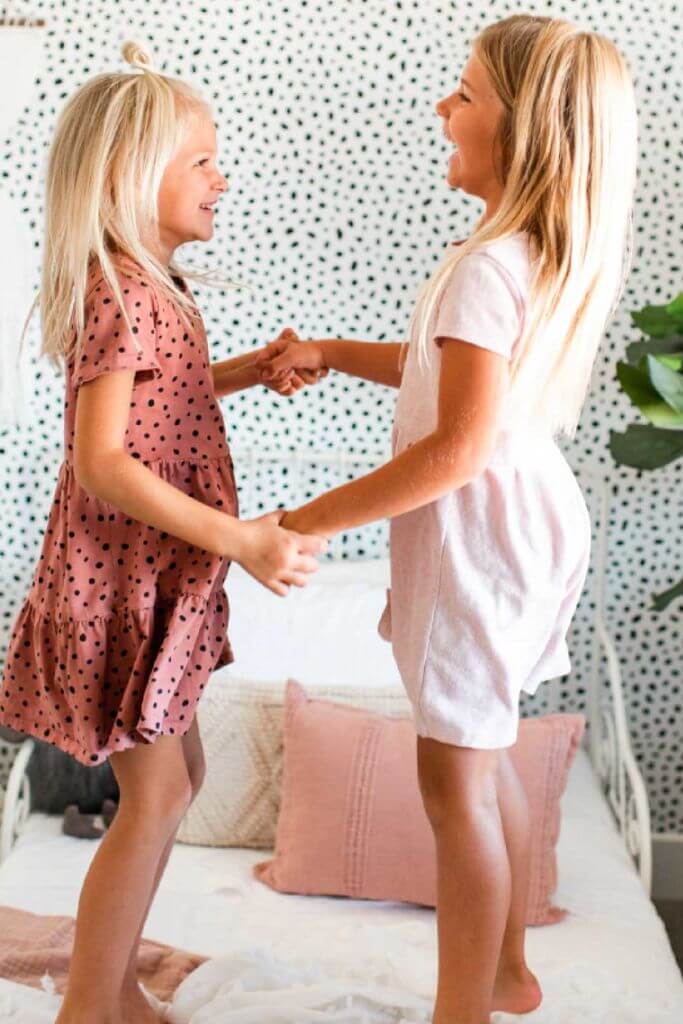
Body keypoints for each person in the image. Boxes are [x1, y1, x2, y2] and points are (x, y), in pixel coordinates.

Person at [256, 14, 638, 1024]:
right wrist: (335, 350)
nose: (441, 108)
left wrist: (307, 516)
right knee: (485, 753)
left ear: (522, 131)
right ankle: (505, 968)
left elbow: (451, 447)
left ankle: (461, 1005)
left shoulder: (487, 264)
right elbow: (440, 372)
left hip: (479, 537)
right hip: (523, 527)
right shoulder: (517, 258)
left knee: (451, 789)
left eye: (463, 95)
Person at [0, 41, 326, 1024]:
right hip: (122, 580)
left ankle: (114, 993)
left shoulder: (157, 290)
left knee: (175, 779)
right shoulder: (119, 290)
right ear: (130, 179)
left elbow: (159, 400)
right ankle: (93, 1007)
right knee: (152, 796)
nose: (220, 177)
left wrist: (237, 371)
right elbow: (103, 459)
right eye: (201, 160)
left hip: (153, 574)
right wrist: (238, 538)